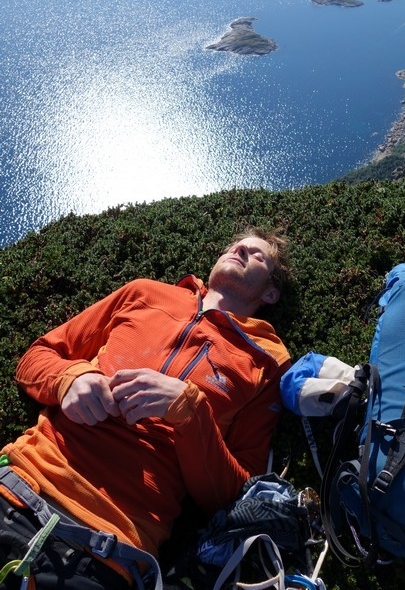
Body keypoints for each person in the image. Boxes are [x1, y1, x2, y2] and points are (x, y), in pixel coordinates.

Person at [0, 226, 291, 589]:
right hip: (18, 485)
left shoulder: (269, 362)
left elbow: (234, 496)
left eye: (256, 254)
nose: (240, 250)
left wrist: (191, 412)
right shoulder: (144, 293)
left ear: (270, 292)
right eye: (236, 245)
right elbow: (36, 357)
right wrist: (68, 379)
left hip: (107, 549)